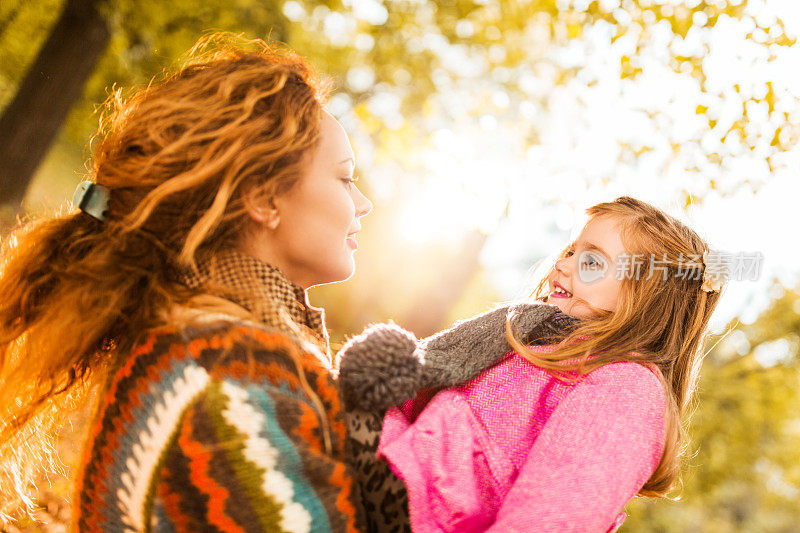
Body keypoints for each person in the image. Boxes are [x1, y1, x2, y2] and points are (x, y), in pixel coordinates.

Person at [0, 34, 373, 531]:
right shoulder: (226, 380)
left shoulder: (212, 348)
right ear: (263, 198)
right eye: (346, 178)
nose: (363, 204)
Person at [338, 196, 726, 532]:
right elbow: (427, 401)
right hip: (388, 459)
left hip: (406, 512)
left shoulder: (627, 389)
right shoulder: (528, 340)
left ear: (644, 300)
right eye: (572, 251)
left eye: (591, 262)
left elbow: (553, 518)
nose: (564, 263)